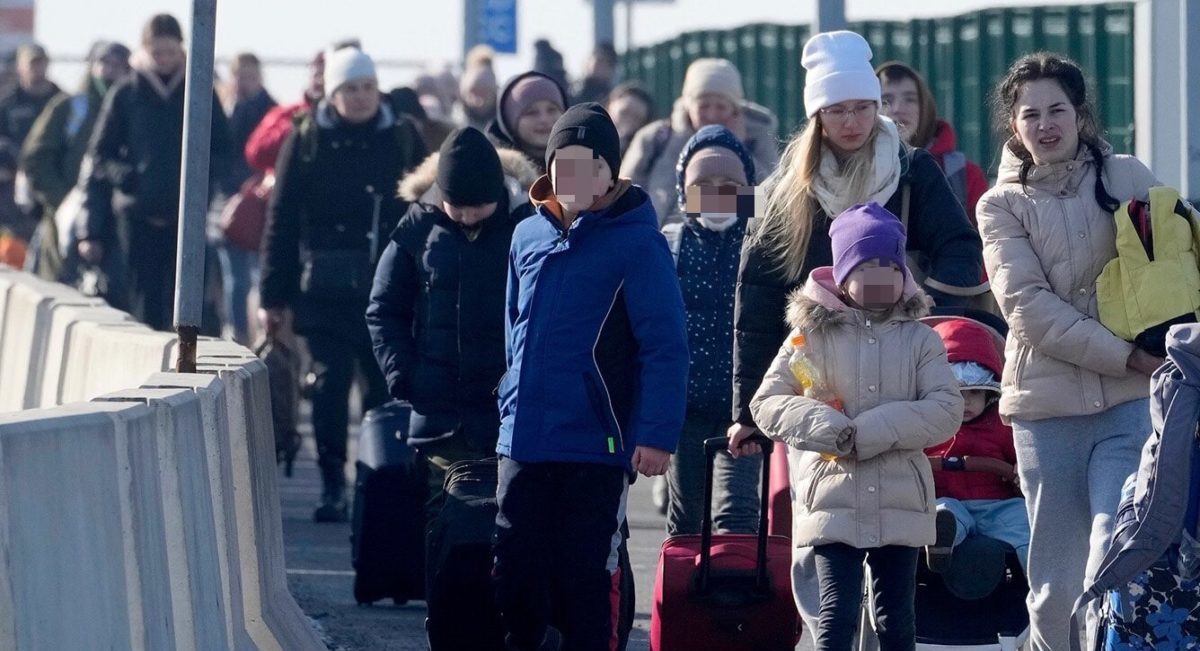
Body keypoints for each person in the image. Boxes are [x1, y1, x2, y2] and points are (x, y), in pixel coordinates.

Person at [729, 30, 985, 634]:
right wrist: (745, 409)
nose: (852, 122)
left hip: (893, 376)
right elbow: (758, 298)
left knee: (893, 546)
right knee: (817, 541)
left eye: (863, 107)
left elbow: (958, 249)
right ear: (817, 114)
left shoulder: (911, 169)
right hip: (818, 385)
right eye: (838, 109)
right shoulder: (787, 188)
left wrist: (923, 311)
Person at [976, 52, 1163, 650]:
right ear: (1014, 126)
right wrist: (1129, 355)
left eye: (1058, 109)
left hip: (1130, 405)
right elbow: (1027, 309)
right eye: (1031, 114)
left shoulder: (1130, 176)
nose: (1046, 124)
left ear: (1081, 115)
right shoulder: (999, 206)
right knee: (1055, 588)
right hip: (1045, 410)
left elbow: (1178, 263)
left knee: (1111, 550)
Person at [494, 103, 688, 651]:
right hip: (525, 440)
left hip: (596, 446)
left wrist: (654, 435)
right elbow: (513, 329)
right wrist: (508, 402)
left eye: (589, 164)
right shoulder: (525, 236)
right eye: (563, 163)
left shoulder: (638, 243)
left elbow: (665, 345)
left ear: (611, 173)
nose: (574, 177)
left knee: (585, 576)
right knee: (514, 571)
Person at [748, 201, 962, 650]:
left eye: (890, 264)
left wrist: (871, 431)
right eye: (867, 265)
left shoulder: (921, 338)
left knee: (896, 620)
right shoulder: (809, 337)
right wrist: (830, 428)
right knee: (836, 615)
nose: (881, 276)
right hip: (833, 496)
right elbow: (767, 403)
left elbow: (946, 409)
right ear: (843, 274)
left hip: (901, 498)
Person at [258, 46, 426, 523]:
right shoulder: (307, 138)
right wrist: (274, 296)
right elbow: (282, 219)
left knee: (382, 389)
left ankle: (376, 482)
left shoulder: (401, 135)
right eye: (349, 88)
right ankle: (333, 481)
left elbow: (427, 208)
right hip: (323, 291)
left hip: (388, 287)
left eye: (367, 87)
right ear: (332, 93)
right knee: (330, 386)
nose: (359, 97)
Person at [367, 126, 525, 527]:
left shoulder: (526, 227)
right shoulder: (417, 230)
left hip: (510, 411)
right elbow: (385, 308)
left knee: (509, 517)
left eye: (480, 206)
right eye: (459, 206)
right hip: (441, 411)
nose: (469, 217)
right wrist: (405, 375)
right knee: (447, 515)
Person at [80, 14, 232, 331]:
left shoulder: (200, 90)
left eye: (171, 52)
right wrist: (128, 177)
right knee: (143, 303)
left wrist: (200, 180)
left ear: (182, 50)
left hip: (186, 220)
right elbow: (100, 153)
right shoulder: (126, 93)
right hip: (138, 217)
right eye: (157, 53)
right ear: (145, 52)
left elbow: (224, 148)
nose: (164, 60)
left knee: (189, 308)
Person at [663, 124, 760, 536]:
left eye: (730, 183)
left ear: (749, 191)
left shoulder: (764, 244)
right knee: (687, 516)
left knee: (737, 514)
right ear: (685, 191)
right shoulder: (670, 244)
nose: (717, 191)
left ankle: (736, 596)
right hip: (685, 409)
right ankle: (685, 596)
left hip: (746, 409)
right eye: (704, 183)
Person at [922, 318, 1029, 573]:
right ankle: (939, 542)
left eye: (975, 394)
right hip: (945, 498)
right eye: (958, 395)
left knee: (1024, 521)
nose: (966, 403)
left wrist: (1019, 472)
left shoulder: (1002, 426)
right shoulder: (926, 427)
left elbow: (1021, 457)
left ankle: (1042, 586)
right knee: (942, 512)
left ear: (989, 394)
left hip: (996, 503)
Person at [620, 57, 779, 226]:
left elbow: (770, 204)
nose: (711, 115)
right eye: (703, 106)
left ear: (735, 110)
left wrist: (739, 147)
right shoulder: (655, 139)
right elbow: (624, 199)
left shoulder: (756, 140)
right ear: (689, 106)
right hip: (659, 244)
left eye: (721, 107)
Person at [20, 40, 131, 281]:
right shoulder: (71, 108)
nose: (109, 71)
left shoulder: (134, 112)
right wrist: (62, 199)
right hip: (64, 222)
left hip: (117, 224)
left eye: (117, 64)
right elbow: (35, 157)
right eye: (103, 63)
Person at [876, 61, 989, 223]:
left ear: (926, 107)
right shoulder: (851, 169)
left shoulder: (964, 176)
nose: (897, 109)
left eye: (910, 99)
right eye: (886, 100)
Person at [217, 52, 276, 344]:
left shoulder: (272, 113)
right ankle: (237, 331)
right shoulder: (223, 110)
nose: (244, 82)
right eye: (239, 76)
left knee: (256, 276)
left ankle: (258, 334)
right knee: (234, 278)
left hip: (259, 205)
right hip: (226, 203)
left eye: (250, 76)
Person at [244, 48, 324, 176]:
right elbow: (256, 153)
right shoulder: (287, 114)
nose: (321, 81)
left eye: (325, 75)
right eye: (317, 75)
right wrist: (297, 125)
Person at [486, 71, 568, 179]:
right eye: (531, 112)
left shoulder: (582, 160)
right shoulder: (492, 170)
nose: (544, 119)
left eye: (552, 110)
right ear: (509, 121)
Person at [0, 43, 61, 152]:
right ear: (19, 67)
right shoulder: (7, 104)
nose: (37, 68)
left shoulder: (62, 101)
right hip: (17, 164)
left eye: (41, 62)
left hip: (54, 165)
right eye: (32, 63)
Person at [454, 45, 498, 132]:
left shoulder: (502, 127)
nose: (479, 101)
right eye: (474, 92)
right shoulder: (454, 123)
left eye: (485, 92)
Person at [606, 81, 654, 157]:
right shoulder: (587, 135)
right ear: (610, 105)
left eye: (637, 118)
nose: (628, 121)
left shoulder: (645, 153)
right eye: (624, 113)